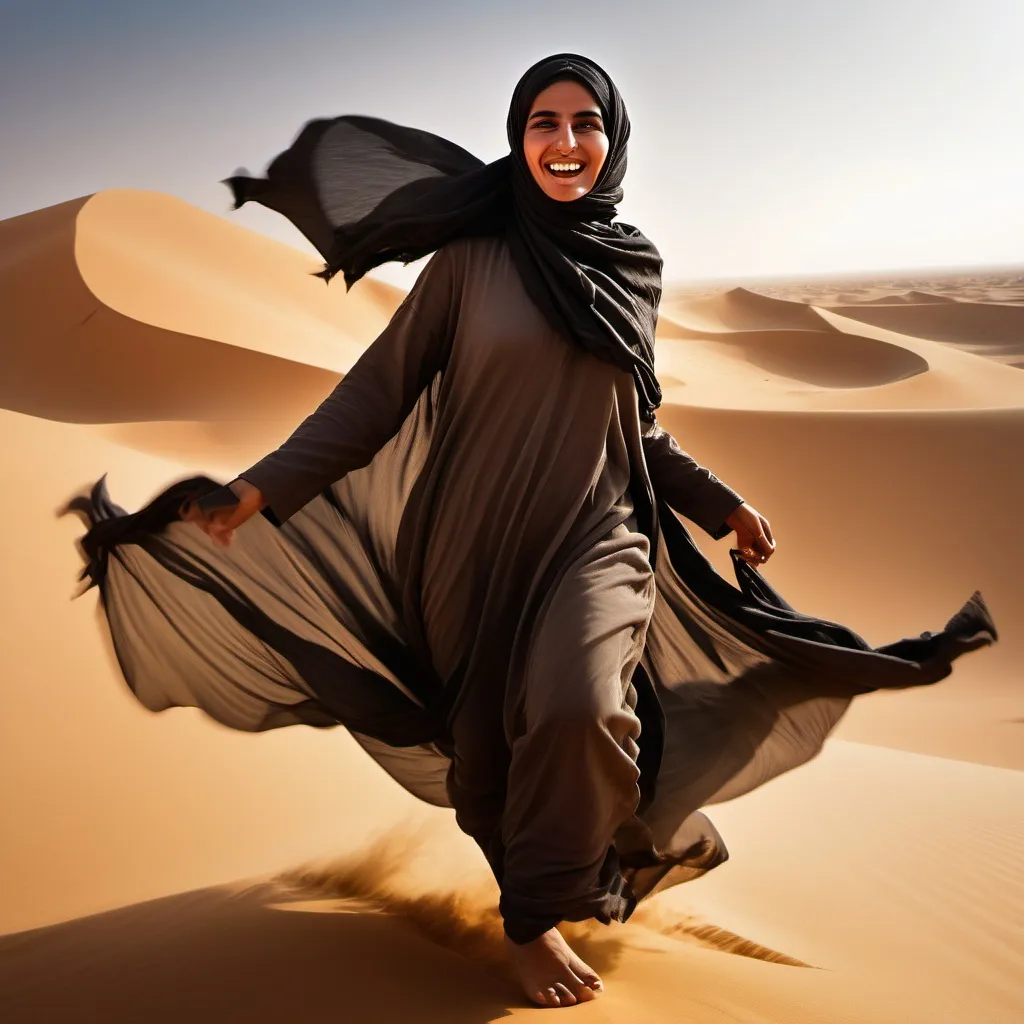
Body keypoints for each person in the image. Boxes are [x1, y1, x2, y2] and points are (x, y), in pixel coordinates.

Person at [68, 53, 998, 1010]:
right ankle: (542, 893)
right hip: (469, 546)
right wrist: (261, 489)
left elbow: (633, 425)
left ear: (614, 138)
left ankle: (529, 917)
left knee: (578, 709)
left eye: (584, 123)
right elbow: (373, 400)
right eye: (543, 123)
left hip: (601, 534)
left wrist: (720, 502)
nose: (565, 143)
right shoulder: (468, 262)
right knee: (489, 747)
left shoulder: (631, 265)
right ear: (518, 138)